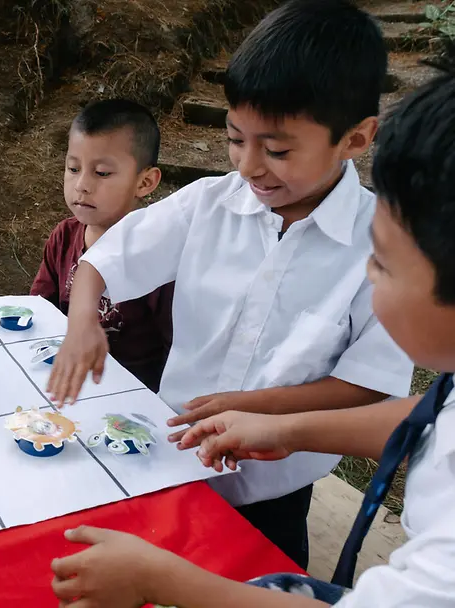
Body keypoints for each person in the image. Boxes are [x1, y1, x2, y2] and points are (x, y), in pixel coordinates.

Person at [49, 62, 455, 608]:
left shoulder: (372, 225)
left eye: (382, 266)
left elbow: (372, 387)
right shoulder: (212, 203)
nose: (248, 166)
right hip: (178, 461)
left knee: (260, 560)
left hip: (273, 490)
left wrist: (162, 581)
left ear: (356, 139)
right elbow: (424, 422)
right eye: (235, 140)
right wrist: (283, 428)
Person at [31, 99, 172, 393]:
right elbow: (39, 312)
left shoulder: (159, 257)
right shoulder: (64, 237)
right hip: (66, 380)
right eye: (73, 168)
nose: (81, 184)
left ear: (145, 182)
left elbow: (177, 349)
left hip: (131, 397)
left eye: (102, 173)